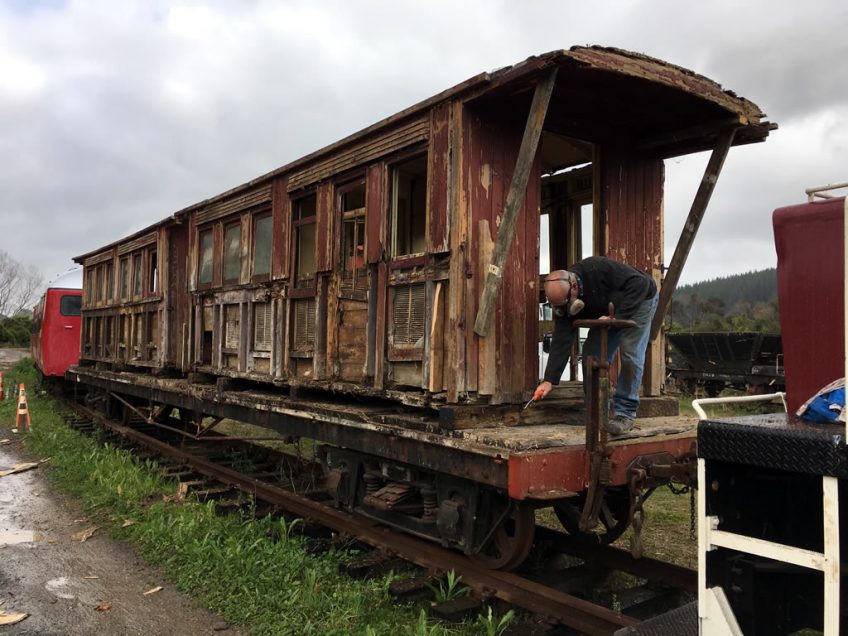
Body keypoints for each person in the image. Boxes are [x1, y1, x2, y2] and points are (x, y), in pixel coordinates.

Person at [533, 256, 658, 435]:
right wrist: (548, 380)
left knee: (630, 354)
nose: (564, 309)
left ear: (574, 287)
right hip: (609, 310)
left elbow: (640, 284)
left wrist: (617, 318)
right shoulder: (564, 301)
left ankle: (625, 414)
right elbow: (562, 339)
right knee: (591, 355)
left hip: (640, 300)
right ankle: (596, 411)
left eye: (566, 304)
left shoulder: (597, 268)